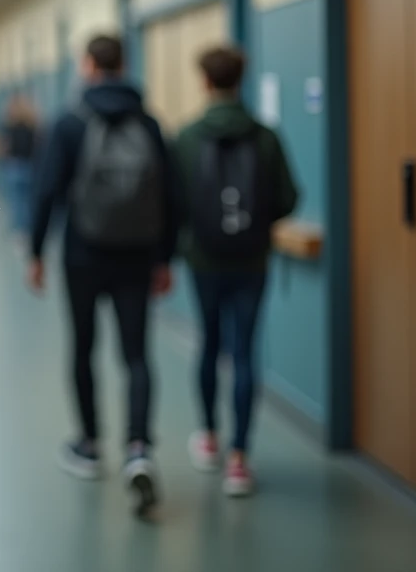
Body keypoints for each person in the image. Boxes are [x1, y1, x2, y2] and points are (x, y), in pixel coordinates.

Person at [27, 34, 178, 517]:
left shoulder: (70, 122)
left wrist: (35, 252)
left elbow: (47, 190)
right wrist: (165, 258)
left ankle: (89, 445)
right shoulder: (149, 122)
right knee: (136, 354)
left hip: (83, 254)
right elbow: (172, 195)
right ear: (125, 65)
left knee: (84, 346)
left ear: (88, 66)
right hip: (138, 254)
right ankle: (139, 449)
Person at [173, 46, 298, 497]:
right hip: (251, 261)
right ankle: (240, 460)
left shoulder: (187, 137)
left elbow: (175, 203)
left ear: (205, 82)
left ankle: (208, 438)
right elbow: (287, 199)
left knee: (209, 344)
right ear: (240, 81)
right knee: (245, 351)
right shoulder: (265, 137)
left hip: (203, 260)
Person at [0, 94, 38, 236]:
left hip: (15, 166)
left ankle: (19, 228)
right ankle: (27, 227)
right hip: (29, 166)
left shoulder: (10, 127)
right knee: (27, 200)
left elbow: (5, 148)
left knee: (16, 200)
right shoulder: (33, 127)